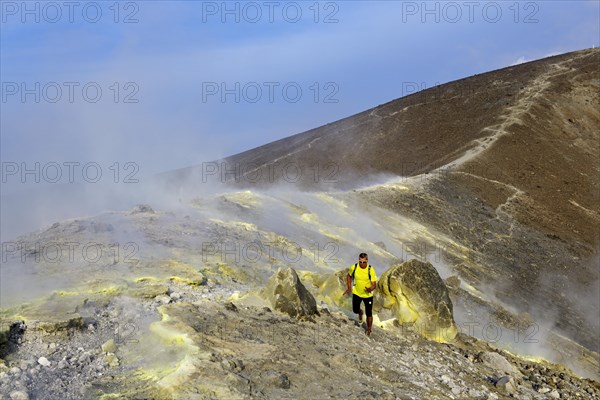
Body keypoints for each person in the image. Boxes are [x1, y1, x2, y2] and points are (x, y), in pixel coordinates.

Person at [343, 253, 377, 336]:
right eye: (360, 262)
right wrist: (349, 287)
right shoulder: (354, 267)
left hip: (367, 295)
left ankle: (369, 330)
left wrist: (370, 289)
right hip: (357, 293)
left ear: (367, 261)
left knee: (369, 313)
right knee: (355, 310)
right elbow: (349, 276)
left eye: (364, 262)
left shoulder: (370, 269)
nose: (362, 264)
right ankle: (360, 312)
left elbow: (374, 284)